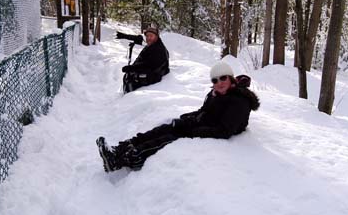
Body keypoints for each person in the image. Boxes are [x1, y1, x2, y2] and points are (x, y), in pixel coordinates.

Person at [97, 61, 260, 172]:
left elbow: (224, 131)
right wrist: (187, 118)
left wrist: (194, 131)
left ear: (231, 79)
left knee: (168, 139)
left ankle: (126, 159)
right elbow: (204, 111)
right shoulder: (216, 94)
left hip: (207, 133)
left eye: (223, 78)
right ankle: (121, 149)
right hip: (200, 125)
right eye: (215, 80)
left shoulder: (239, 102)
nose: (219, 82)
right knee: (166, 127)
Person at [122, 27, 170, 93]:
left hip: (154, 75)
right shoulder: (151, 46)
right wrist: (132, 67)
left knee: (132, 79)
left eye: (151, 36)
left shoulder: (158, 49)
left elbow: (150, 65)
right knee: (128, 76)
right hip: (149, 72)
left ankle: (130, 98)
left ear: (156, 36)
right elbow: (141, 60)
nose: (148, 38)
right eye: (147, 36)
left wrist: (132, 68)